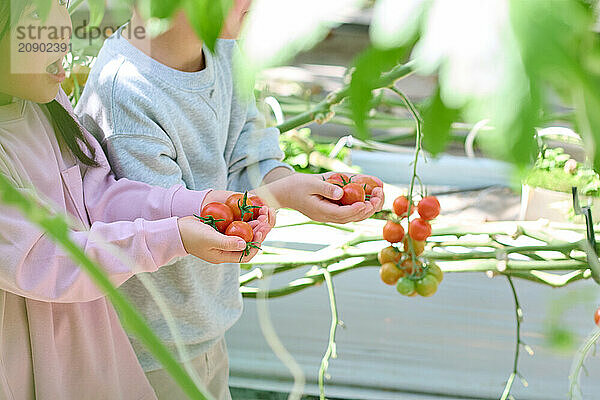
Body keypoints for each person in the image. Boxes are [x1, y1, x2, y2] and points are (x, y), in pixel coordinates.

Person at [76, 1, 385, 398]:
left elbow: (249, 151)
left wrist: (291, 186)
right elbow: (171, 229)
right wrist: (278, 196)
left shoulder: (221, 51)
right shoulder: (125, 95)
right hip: (151, 348)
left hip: (205, 324)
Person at [0, 1, 274, 399]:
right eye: (36, 16)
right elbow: (46, 259)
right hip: (27, 359)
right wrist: (171, 237)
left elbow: (99, 196)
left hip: (84, 345)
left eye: (60, 5)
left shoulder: (44, 105)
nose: (62, 27)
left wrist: (193, 207)